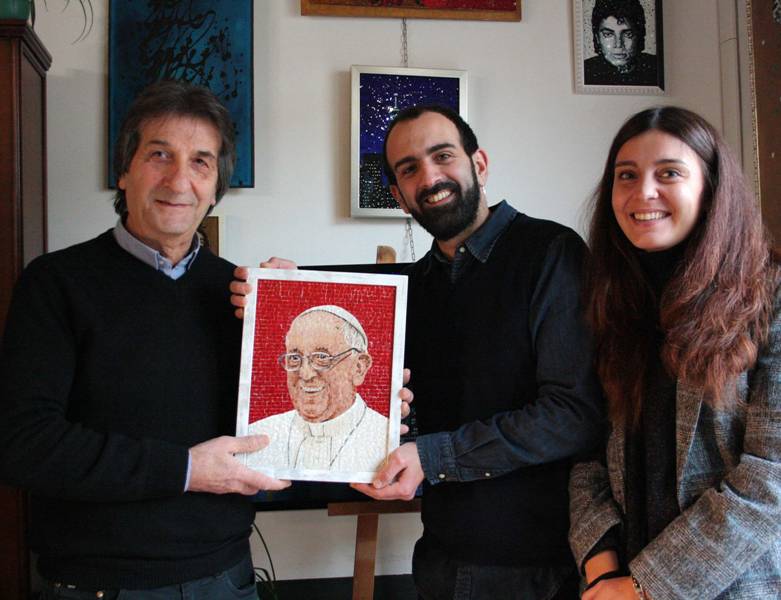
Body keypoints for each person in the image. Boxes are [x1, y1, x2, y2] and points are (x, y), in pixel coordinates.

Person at [0, 80, 292, 599]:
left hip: (227, 578)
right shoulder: (55, 284)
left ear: (216, 187)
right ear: (124, 170)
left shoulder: (244, 295)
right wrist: (185, 470)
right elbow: (24, 445)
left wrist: (294, 315)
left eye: (200, 162)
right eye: (160, 155)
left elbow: (286, 435)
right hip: (98, 585)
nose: (179, 180)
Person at [349, 105, 605, 599]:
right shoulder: (413, 288)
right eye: (409, 169)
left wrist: (432, 457)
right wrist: (283, 289)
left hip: (537, 571)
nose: (429, 177)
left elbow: (573, 414)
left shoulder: (550, 252)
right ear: (399, 197)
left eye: (442, 155)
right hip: (439, 560)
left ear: (479, 164)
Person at [568, 106, 781, 599]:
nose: (643, 192)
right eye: (626, 175)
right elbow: (587, 455)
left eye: (668, 173)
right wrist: (602, 568)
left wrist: (645, 586)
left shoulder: (768, 296)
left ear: (711, 188)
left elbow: (771, 478)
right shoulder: (611, 301)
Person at [246, 305, 389, 473]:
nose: (305, 374)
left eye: (322, 357)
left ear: (359, 368)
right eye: (294, 358)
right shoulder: (256, 435)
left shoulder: (388, 438)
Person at [584, 0, 659, 87]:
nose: (618, 45)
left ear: (639, 35)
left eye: (628, 34)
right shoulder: (585, 71)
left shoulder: (656, 68)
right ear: (597, 38)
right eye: (608, 34)